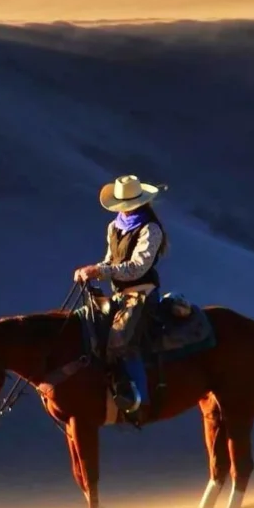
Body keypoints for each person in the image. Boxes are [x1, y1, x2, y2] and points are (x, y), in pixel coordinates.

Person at [73, 175, 168, 413]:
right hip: (119, 294)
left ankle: (140, 401)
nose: (124, 209)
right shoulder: (114, 227)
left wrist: (101, 271)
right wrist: (92, 272)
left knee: (121, 339)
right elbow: (110, 260)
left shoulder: (151, 229)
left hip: (142, 293)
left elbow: (138, 266)